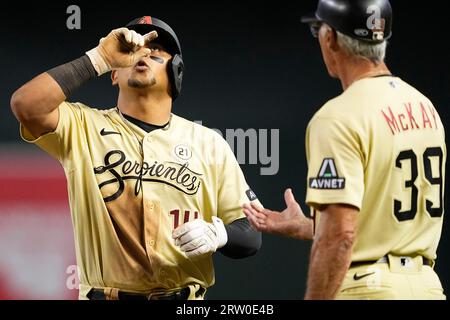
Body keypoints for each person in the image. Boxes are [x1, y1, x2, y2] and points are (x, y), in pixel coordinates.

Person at [10, 15, 262, 300]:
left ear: (176, 72)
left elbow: (252, 232)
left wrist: (220, 234)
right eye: (134, 52)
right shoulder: (82, 127)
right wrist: (99, 58)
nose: (144, 54)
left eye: (157, 53)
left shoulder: (208, 143)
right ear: (114, 75)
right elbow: (26, 105)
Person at [244, 0, 446, 300]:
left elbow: (340, 237)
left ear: (330, 38)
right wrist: (309, 226)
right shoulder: (424, 106)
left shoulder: (338, 116)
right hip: (428, 285)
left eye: (318, 31)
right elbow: (378, 221)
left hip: (369, 289)